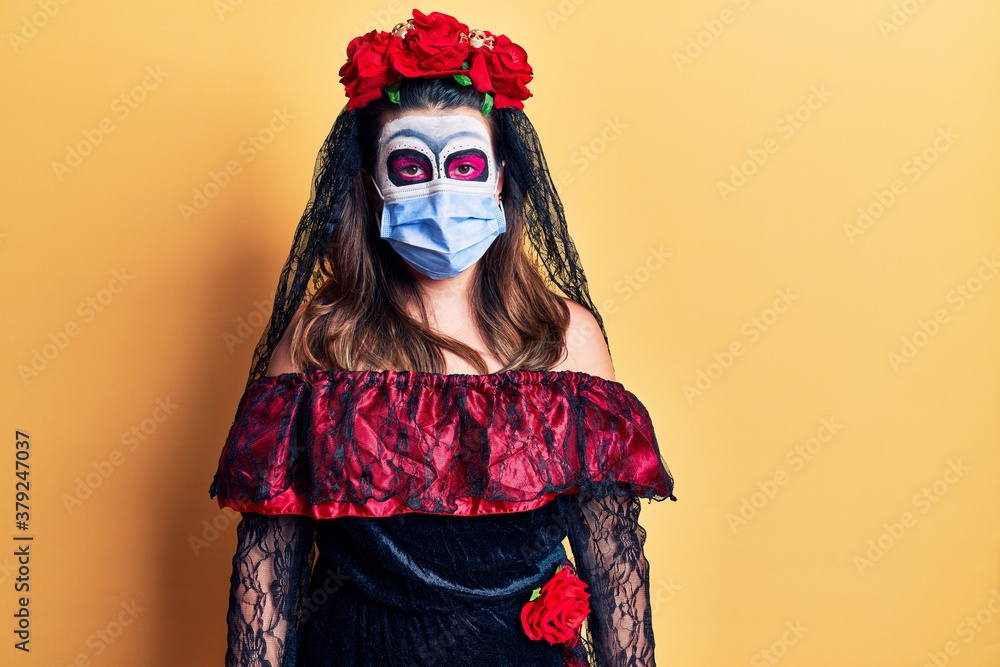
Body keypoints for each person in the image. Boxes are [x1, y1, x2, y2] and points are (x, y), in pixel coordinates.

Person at [208, 9, 677, 667]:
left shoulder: (565, 337)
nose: (439, 189)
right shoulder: (320, 340)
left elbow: (612, 556)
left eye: (463, 164)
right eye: (409, 165)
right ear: (371, 187)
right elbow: (268, 569)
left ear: (499, 179)